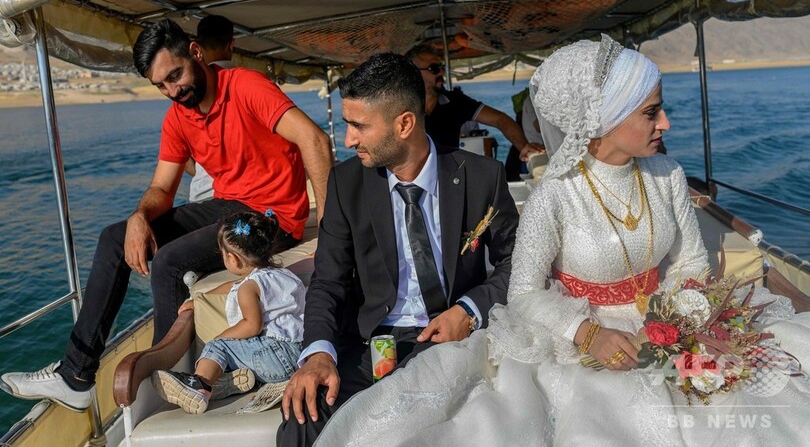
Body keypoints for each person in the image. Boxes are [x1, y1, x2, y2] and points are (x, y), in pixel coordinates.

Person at [314, 35, 810, 446]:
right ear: (608, 117)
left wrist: (670, 323)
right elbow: (524, 290)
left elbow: (690, 264)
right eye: (652, 112)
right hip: (579, 337)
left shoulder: (669, 175)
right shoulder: (555, 194)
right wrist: (588, 334)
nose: (666, 124)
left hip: (666, 322)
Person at [0, 20, 332, 412]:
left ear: (195, 53)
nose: (173, 91)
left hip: (272, 218)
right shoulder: (178, 117)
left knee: (169, 262)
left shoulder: (245, 86)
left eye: (175, 76)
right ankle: (76, 376)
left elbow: (314, 140)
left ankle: (169, 380)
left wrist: (332, 232)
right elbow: (162, 187)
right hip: (227, 206)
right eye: (161, 86)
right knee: (114, 237)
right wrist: (139, 217)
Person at [276, 52, 518, 446]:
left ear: (404, 124)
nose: (348, 140)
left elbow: (518, 263)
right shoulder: (345, 184)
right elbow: (328, 281)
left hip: (452, 343)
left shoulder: (482, 177)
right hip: (370, 344)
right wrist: (318, 353)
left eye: (358, 126)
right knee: (303, 417)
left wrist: (469, 310)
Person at [152, 210, 305, 415]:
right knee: (242, 350)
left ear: (233, 259)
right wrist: (200, 299)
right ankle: (225, 383)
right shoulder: (283, 276)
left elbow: (252, 325)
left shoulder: (248, 289)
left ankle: (199, 384)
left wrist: (219, 339)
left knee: (219, 347)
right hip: (300, 354)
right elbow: (233, 286)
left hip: (275, 356)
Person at [406, 45, 544, 159]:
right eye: (434, 68)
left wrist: (524, 146)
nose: (442, 73)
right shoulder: (400, 105)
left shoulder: (455, 102)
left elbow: (500, 119)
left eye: (442, 67)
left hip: (448, 176)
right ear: (413, 72)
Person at [187, 14, 236, 202]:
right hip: (245, 198)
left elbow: (182, 156)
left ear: (197, 47)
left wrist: (205, 175)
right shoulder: (253, 84)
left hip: (202, 198)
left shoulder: (189, 94)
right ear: (231, 44)